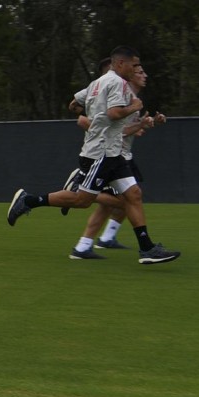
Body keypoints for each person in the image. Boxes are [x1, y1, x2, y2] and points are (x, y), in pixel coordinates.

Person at [6, 45, 179, 265]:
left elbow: (74, 105)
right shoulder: (117, 83)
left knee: (133, 194)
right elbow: (114, 113)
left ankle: (147, 249)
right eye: (134, 65)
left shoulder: (97, 83)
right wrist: (134, 106)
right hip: (101, 153)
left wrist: (95, 117)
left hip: (112, 152)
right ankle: (29, 200)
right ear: (120, 64)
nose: (137, 69)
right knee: (82, 200)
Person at [67, 63, 165, 259]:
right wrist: (101, 130)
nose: (144, 75)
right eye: (139, 71)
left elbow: (125, 129)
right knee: (127, 200)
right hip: (110, 155)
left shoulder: (133, 99)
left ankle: (90, 244)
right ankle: (78, 189)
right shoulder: (115, 90)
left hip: (122, 154)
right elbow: (82, 119)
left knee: (127, 199)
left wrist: (147, 123)